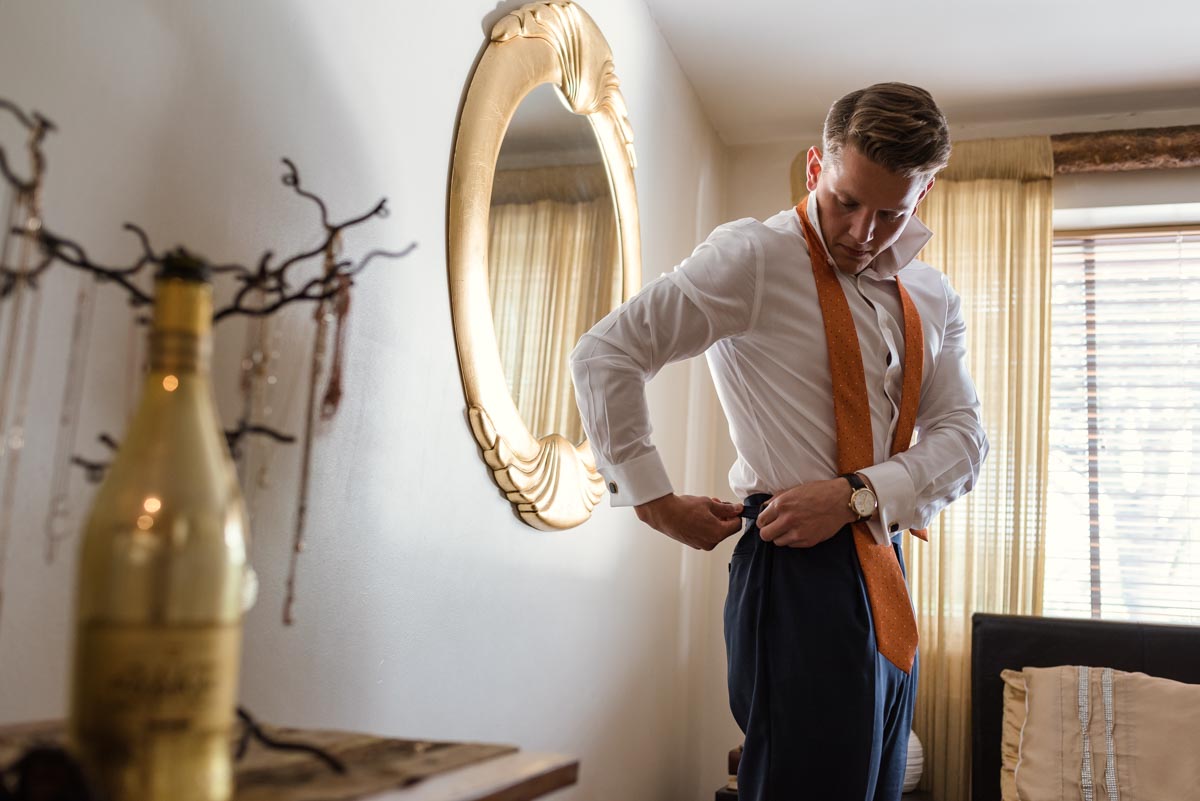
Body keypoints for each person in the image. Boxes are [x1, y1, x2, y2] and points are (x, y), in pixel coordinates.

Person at [570, 83, 988, 800]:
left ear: (925, 193)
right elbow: (605, 353)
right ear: (814, 169)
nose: (864, 231)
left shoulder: (930, 294)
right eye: (848, 201)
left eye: (893, 211)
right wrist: (655, 502)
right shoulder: (754, 257)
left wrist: (857, 495)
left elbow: (963, 438)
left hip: (885, 567)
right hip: (797, 570)